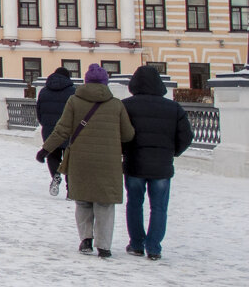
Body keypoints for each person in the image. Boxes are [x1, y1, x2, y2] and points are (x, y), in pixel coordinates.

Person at [37, 63, 134, 259]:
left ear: (86, 81)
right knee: (104, 204)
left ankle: (86, 240)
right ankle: (104, 246)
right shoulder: (116, 104)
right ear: (106, 83)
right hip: (108, 161)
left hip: (80, 160)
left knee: (83, 202)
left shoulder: (74, 101)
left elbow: (62, 130)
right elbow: (128, 134)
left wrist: (45, 150)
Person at [121, 64, 193, 261]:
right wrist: (171, 152)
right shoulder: (174, 108)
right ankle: (153, 247)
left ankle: (136, 244)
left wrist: (124, 150)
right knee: (159, 207)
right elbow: (186, 136)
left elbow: (118, 133)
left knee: (134, 204)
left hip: (134, 163)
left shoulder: (126, 105)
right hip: (162, 165)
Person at [36, 66, 76, 197]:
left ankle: (55, 176)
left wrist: (46, 124)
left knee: (52, 155)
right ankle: (71, 190)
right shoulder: (73, 91)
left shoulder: (43, 91)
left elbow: (39, 112)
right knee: (70, 158)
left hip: (49, 128)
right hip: (69, 130)